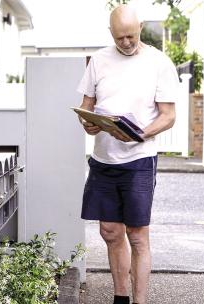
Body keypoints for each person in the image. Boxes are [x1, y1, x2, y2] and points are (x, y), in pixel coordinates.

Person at [76, 4, 179, 304]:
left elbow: (168, 115)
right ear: (111, 33)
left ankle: (140, 301)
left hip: (139, 161)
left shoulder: (159, 62)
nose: (126, 43)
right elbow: (86, 105)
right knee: (109, 231)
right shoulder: (98, 60)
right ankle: (120, 298)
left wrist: (139, 134)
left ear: (140, 28)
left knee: (137, 235)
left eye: (131, 36)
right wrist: (88, 122)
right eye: (120, 37)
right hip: (103, 161)